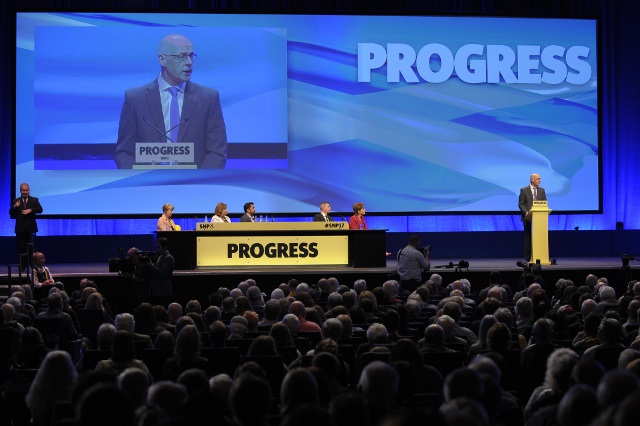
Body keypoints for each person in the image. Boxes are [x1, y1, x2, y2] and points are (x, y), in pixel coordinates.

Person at [114, 33, 227, 169]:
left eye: (191, 56)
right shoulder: (135, 99)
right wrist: (139, 183)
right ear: (162, 60)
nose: (189, 63)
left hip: (193, 186)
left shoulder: (208, 98)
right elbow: (125, 152)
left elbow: (217, 152)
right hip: (148, 185)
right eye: (182, 56)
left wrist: (199, 185)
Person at [9, 183, 43, 270]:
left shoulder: (34, 200)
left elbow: (40, 209)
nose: (25, 192)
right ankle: (22, 265)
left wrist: (30, 210)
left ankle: (32, 265)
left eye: (26, 190)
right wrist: (15, 207)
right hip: (20, 228)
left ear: (29, 190)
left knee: (31, 248)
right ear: (20, 191)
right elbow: (11, 213)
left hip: (30, 228)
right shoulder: (16, 201)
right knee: (21, 248)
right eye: (23, 190)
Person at [518, 173, 547, 262]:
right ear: (532, 180)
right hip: (528, 218)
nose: (540, 180)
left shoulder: (542, 190)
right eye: (538, 179)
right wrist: (526, 212)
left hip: (539, 219)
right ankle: (528, 258)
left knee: (539, 238)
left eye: (540, 179)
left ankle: (539, 256)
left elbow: (544, 203)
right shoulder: (524, 190)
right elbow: (521, 204)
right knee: (528, 238)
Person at [147, 237, 175, 307]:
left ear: (165, 247)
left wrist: (151, 266)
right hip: (157, 292)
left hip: (163, 293)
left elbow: (163, 273)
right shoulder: (161, 256)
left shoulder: (168, 258)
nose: (157, 249)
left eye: (159, 247)